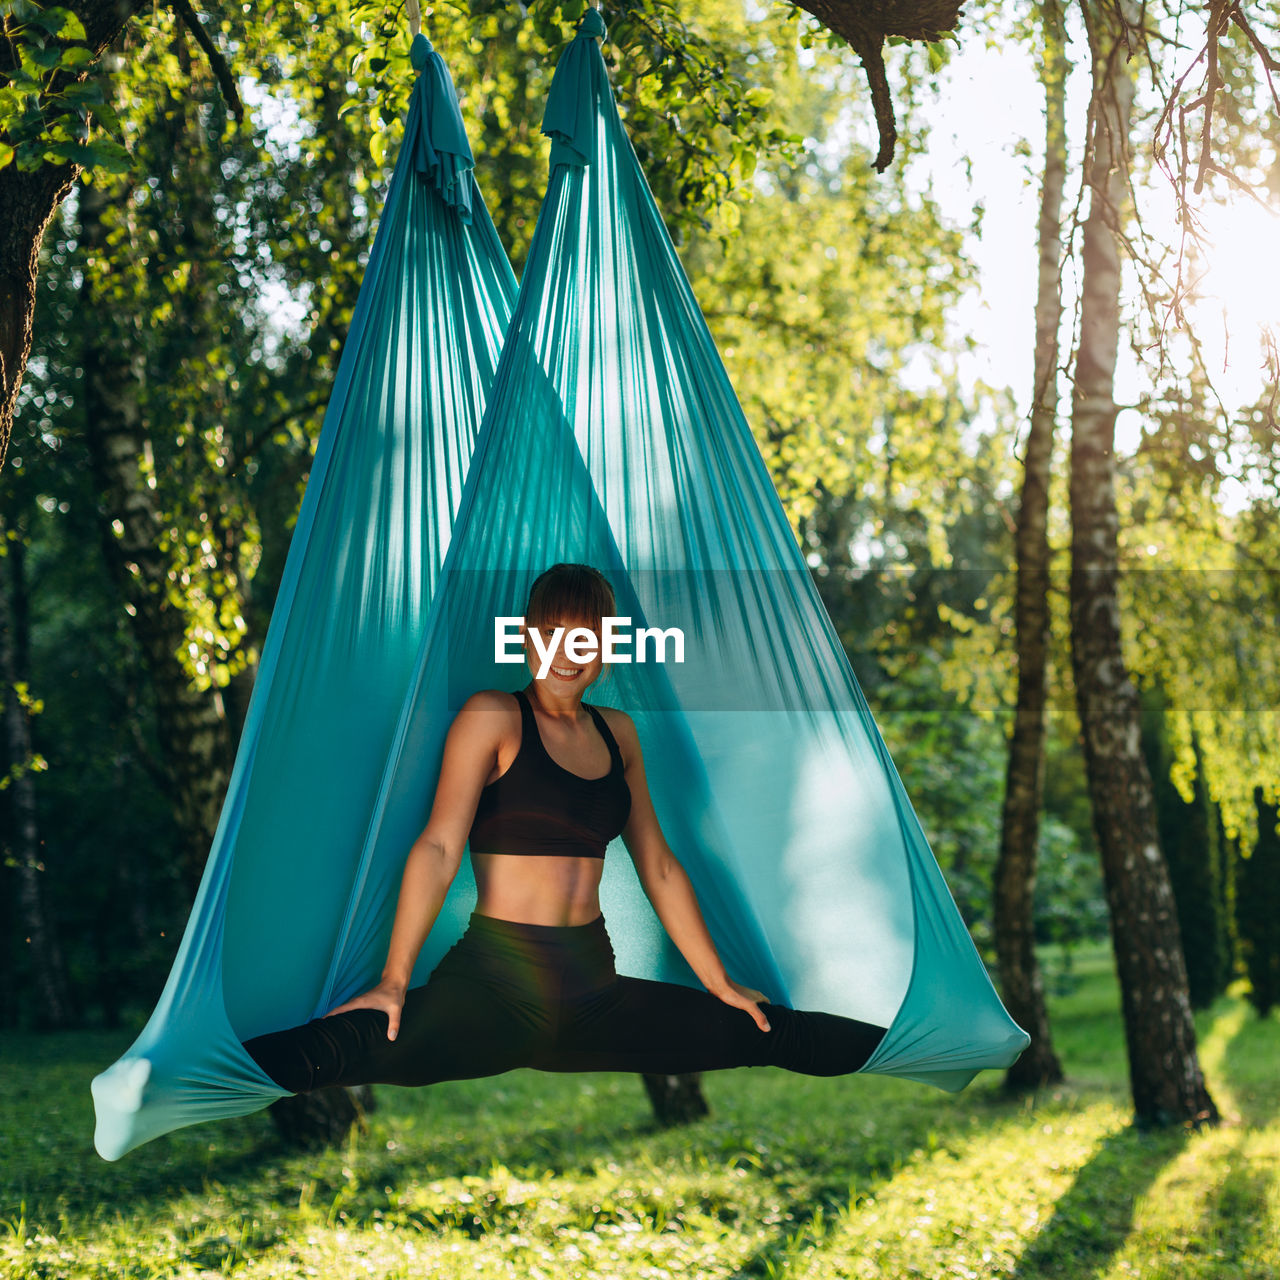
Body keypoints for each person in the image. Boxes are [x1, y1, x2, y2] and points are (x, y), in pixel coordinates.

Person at [243, 563, 887, 1094]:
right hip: (493, 987)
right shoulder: (492, 716)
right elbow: (438, 847)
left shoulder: (619, 733)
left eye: (589, 635)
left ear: (609, 644)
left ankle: (937, 1046)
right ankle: (170, 1078)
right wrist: (392, 980)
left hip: (593, 992)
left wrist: (715, 980)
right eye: (555, 633)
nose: (571, 652)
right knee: (340, 1048)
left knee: (770, 1031)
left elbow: (658, 865)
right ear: (527, 636)